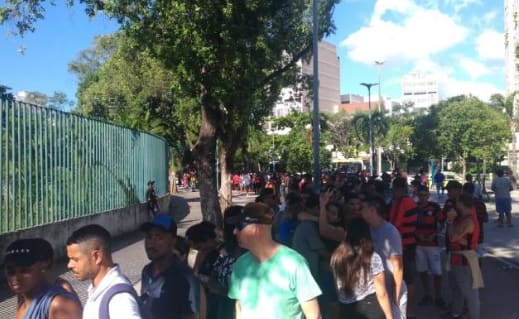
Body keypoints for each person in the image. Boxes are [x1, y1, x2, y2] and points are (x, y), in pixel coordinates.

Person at [228, 202, 322, 319]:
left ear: (255, 229)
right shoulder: (240, 265)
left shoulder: (294, 264)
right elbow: (239, 306)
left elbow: (314, 315)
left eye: (239, 227)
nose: (234, 232)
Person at [66, 224, 142, 319]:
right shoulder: (98, 289)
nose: (69, 265)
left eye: (75, 259)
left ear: (97, 257)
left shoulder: (119, 299)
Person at [331, 219, 393, 319]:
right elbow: (382, 293)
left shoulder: (336, 257)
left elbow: (337, 286)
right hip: (370, 306)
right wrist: (390, 316)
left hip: (346, 308)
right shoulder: (372, 257)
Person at [5, 238, 82, 319]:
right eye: (11, 271)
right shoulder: (22, 296)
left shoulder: (59, 304)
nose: (16, 277)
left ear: (43, 265)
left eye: (25, 270)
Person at [360, 193, 407, 319]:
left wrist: (396, 295)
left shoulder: (390, 232)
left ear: (372, 210)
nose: (360, 211)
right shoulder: (367, 229)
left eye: (363, 208)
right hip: (379, 288)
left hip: (392, 288)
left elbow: (398, 267)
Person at [140, 214, 194, 319]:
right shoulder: (146, 271)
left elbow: (192, 315)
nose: (151, 243)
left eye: (159, 237)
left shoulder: (184, 276)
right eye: (149, 237)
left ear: (173, 241)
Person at [444, 193, 482, 319]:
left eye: (457, 202)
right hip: (457, 258)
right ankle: (455, 313)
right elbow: (455, 238)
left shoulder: (468, 220)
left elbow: (452, 237)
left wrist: (450, 221)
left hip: (464, 260)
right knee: (457, 289)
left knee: (470, 293)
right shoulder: (464, 217)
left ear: (460, 203)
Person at [388, 177, 417, 319]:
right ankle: (410, 310)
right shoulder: (410, 201)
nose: (392, 192)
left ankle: (406, 311)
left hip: (403, 245)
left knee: (404, 278)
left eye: (393, 189)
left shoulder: (402, 202)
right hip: (409, 243)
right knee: (409, 278)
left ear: (397, 189)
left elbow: (394, 225)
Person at [414, 185, 446, 308]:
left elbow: (442, 223)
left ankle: (438, 296)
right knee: (422, 271)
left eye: (425, 195)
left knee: (437, 272)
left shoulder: (435, 207)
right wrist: (417, 234)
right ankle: (427, 294)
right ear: (417, 195)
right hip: (419, 245)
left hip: (433, 244)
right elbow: (410, 225)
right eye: (420, 195)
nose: (423, 198)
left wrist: (435, 234)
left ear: (428, 195)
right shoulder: (414, 208)